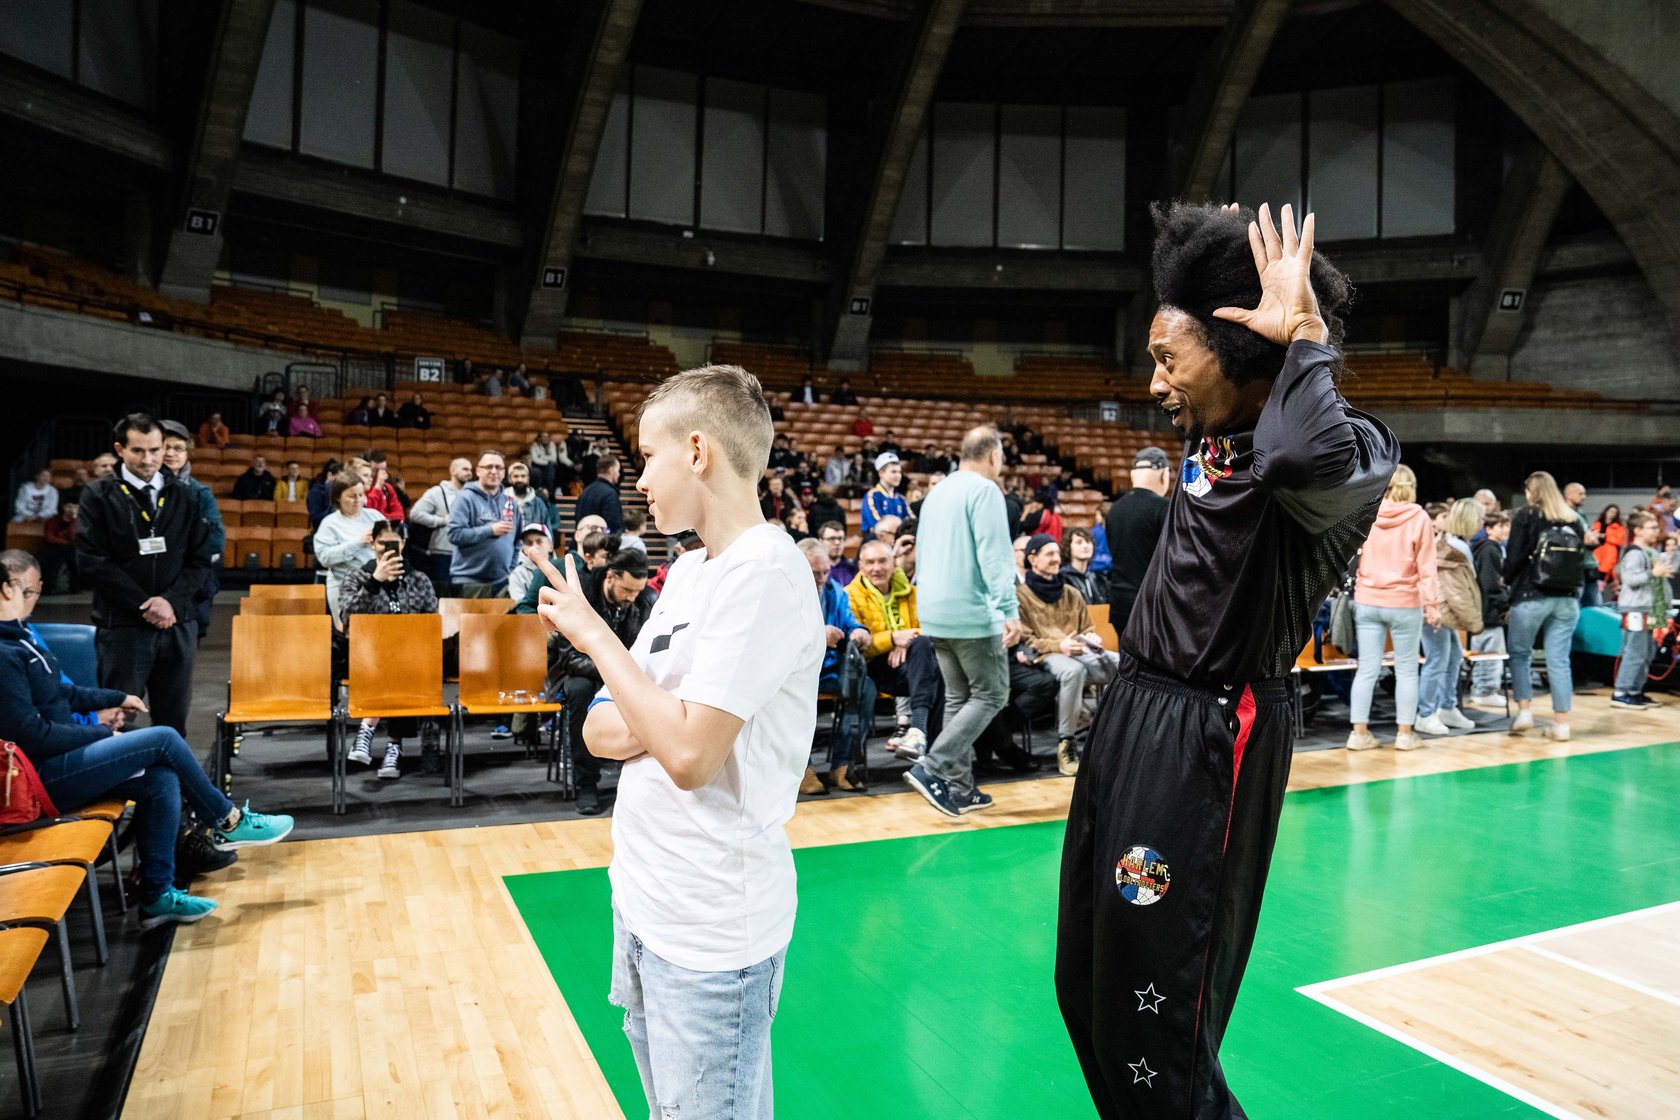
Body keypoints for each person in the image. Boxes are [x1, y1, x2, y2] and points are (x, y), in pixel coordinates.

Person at [1058, 202, 1398, 1120]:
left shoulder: (1349, 451)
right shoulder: (1214, 433)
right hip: (1134, 711)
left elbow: (1300, 456)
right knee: (1086, 985)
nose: (1154, 383)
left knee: (1157, 1025)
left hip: (1211, 732)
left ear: (1241, 353)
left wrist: (1304, 339)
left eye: (1170, 360)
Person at [533, 364, 822, 1116]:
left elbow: (691, 757)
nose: (639, 480)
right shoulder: (690, 570)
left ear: (697, 451)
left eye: (647, 457)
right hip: (644, 899)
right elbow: (599, 728)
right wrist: (668, 717)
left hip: (711, 931)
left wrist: (596, 637)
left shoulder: (766, 573)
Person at [0, 550, 294, 928]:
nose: (29, 599)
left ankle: (157, 894)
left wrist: (116, 697)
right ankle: (228, 819)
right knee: (163, 739)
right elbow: (33, 736)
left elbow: (62, 694)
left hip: (60, 763)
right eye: (23, 590)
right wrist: (100, 733)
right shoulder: (4, 653)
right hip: (40, 780)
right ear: (6, 590)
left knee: (160, 779)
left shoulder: (20, 637)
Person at [77, 413, 215, 736]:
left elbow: (200, 561)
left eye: (155, 450)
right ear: (120, 449)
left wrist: (169, 602)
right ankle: (122, 773)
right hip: (123, 627)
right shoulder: (98, 495)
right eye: (138, 451)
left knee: (173, 722)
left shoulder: (186, 495)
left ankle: (168, 771)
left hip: (177, 624)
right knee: (119, 721)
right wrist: (146, 605)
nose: (148, 459)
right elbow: (93, 562)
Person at [909, 426, 1018, 817]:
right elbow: (995, 556)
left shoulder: (937, 492)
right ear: (993, 456)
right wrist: (1009, 610)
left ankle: (960, 789)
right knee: (992, 694)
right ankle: (932, 767)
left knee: (958, 697)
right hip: (971, 613)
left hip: (934, 611)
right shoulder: (985, 491)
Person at [337, 520, 439, 778]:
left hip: (410, 657)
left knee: (402, 663)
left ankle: (368, 729)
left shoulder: (419, 579)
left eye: (394, 543)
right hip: (365, 656)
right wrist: (375, 582)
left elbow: (431, 621)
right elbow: (347, 616)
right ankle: (394, 747)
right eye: (382, 543)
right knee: (394, 664)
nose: (387, 548)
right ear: (372, 544)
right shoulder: (357, 577)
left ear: (403, 544)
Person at [1346, 464, 1435, 752]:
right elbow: (1427, 566)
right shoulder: (1418, 517)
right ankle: (1405, 735)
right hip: (1404, 601)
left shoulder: (1368, 511)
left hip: (1368, 598)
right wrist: (1433, 605)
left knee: (1366, 670)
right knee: (1407, 670)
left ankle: (1359, 734)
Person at [1016, 533, 1119, 775]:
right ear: (1033, 559)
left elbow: (1087, 628)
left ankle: (1116, 735)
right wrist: (1059, 645)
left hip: (1079, 650)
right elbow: (1027, 640)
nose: (1056, 559)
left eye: (1056, 553)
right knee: (1073, 671)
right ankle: (1066, 744)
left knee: (1122, 663)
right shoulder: (1021, 595)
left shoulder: (1071, 593)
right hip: (1046, 655)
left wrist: (1091, 639)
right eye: (1049, 554)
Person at [1503, 470, 1586, 741]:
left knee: (1520, 654)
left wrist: (1506, 579)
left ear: (1532, 492)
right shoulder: (1573, 519)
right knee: (1559, 660)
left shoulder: (1526, 516)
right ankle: (1561, 724)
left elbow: (1515, 557)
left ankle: (1524, 712)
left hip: (1531, 595)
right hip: (1567, 598)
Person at [847, 538, 942, 763]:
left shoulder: (912, 592)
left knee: (934, 665)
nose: (877, 568)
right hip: (872, 668)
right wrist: (892, 639)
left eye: (882, 561)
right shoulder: (850, 594)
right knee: (935, 676)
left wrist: (904, 639)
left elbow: (931, 629)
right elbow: (858, 644)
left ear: (893, 563)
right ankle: (930, 752)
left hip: (911, 665)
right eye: (870, 562)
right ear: (860, 566)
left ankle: (919, 738)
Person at [796, 537, 871, 794]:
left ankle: (843, 765)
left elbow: (850, 622)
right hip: (796, 671)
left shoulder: (835, 590)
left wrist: (860, 631)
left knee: (866, 688)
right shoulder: (783, 593)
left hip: (829, 669)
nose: (822, 579)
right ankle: (801, 769)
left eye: (825, 572)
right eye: (815, 573)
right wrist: (819, 634)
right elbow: (777, 637)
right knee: (792, 696)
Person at [1415, 498, 1483, 736]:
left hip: (1442, 610)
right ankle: (1425, 714)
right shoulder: (1456, 548)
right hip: (1437, 610)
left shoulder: (1449, 543)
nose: (1482, 523)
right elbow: (1459, 590)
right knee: (1437, 660)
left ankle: (1446, 707)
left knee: (1452, 657)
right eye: (1479, 518)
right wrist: (1473, 620)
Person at [158, 423, 226, 643]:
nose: (171, 454)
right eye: (165, 447)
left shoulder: (200, 492)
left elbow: (216, 541)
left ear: (187, 452)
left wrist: (174, 542)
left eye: (178, 448)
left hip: (194, 582)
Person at [1102, 447, 1172, 631]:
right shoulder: (1163, 508)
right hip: (1152, 605)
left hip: (1119, 604)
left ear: (1133, 475)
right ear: (1163, 474)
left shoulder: (1114, 509)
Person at [1612, 510, 1672, 709]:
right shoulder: (1634, 553)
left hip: (1653, 608)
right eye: (1652, 528)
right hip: (1637, 609)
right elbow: (1630, 580)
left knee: (1648, 653)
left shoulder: (1652, 552)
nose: (1656, 531)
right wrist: (1653, 573)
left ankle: (1635, 691)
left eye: (1657, 527)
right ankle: (1621, 692)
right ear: (1638, 531)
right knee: (1635, 652)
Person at [313, 472, 385, 619]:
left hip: (378, 584)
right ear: (338, 497)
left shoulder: (375, 516)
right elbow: (325, 558)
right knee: (348, 630)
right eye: (352, 496)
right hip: (344, 586)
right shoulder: (329, 523)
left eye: (361, 495)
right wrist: (359, 542)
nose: (358, 500)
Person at [447, 450, 518, 597]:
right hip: (468, 581)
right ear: (478, 471)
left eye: (499, 467)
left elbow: (518, 540)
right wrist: (490, 530)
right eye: (489, 467)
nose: (494, 471)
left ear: (504, 473)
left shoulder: (511, 503)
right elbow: (454, 534)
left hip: (503, 581)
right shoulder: (465, 498)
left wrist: (511, 569)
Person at [1467, 511, 1512, 707]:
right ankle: (1485, 690)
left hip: (1483, 609)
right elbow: (1490, 584)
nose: (1505, 529)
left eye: (1506, 525)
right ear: (1489, 529)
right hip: (1488, 610)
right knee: (1491, 652)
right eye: (1500, 526)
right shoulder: (1490, 550)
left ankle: (1482, 689)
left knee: (1484, 651)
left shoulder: (1491, 549)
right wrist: (1505, 602)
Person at [409, 458, 472, 596]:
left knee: (462, 597)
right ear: (453, 470)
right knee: (441, 594)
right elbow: (415, 514)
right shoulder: (437, 492)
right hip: (442, 553)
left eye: (470, 470)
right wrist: (441, 521)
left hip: (466, 554)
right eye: (465, 469)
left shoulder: (472, 494)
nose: (469, 473)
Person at [1563, 481, 1604, 606]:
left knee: (1594, 607)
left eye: (1584, 493)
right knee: (1578, 608)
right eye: (1580, 494)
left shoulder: (1580, 514)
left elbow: (1590, 538)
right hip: (1575, 568)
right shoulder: (1565, 515)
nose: (1584, 497)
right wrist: (1589, 538)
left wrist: (1592, 537)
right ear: (1568, 495)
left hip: (1588, 566)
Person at [39, 497, 80, 594]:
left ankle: (72, 587)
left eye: (75, 507)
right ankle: (50, 586)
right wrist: (68, 543)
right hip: (53, 548)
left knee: (73, 554)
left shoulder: (80, 522)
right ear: (63, 507)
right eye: (69, 506)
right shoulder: (52, 520)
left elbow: (73, 536)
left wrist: (74, 519)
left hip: (71, 550)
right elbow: (50, 538)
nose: (71, 509)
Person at [576, 455, 625, 533]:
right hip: (600, 539)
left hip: (585, 537)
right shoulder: (610, 494)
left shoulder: (586, 491)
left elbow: (578, 518)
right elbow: (613, 526)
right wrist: (607, 535)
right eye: (618, 470)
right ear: (611, 470)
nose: (619, 474)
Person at [508, 523, 554, 604]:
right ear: (524, 548)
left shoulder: (561, 569)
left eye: (539, 542)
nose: (534, 547)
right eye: (529, 543)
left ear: (550, 546)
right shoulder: (517, 574)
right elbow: (520, 606)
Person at [1060, 527, 1106, 606]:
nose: (1085, 546)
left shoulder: (1099, 578)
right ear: (1068, 547)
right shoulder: (1062, 578)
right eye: (1079, 542)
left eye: (1088, 541)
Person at [506, 461, 551, 534]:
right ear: (510, 479)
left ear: (528, 479)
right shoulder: (502, 500)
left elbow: (547, 529)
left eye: (523, 476)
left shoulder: (539, 503)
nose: (520, 480)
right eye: (516, 476)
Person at [362, 451, 406, 524]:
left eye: (383, 470)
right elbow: (367, 515)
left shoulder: (388, 488)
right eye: (375, 470)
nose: (379, 475)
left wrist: (381, 518)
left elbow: (400, 516)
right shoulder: (360, 489)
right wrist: (378, 486)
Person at [1591, 505, 1626, 600]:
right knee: (1601, 579)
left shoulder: (1618, 527)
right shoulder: (1597, 524)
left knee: (1603, 577)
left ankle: (1600, 598)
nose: (1611, 514)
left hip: (1609, 556)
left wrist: (1606, 536)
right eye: (1610, 511)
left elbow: (1619, 541)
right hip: (1597, 554)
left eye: (1614, 512)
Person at [305, 458, 342, 530]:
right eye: (340, 477)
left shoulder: (342, 489)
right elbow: (316, 519)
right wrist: (333, 509)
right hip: (322, 530)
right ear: (330, 475)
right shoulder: (315, 492)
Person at [529, 430, 561, 497]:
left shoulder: (552, 444)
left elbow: (553, 458)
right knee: (540, 470)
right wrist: (547, 461)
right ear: (539, 438)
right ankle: (542, 490)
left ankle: (549, 491)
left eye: (547, 436)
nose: (545, 438)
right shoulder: (534, 445)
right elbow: (535, 460)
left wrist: (541, 457)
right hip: (538, 466)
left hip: (549, 466)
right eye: (543, 437)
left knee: (551, 468)